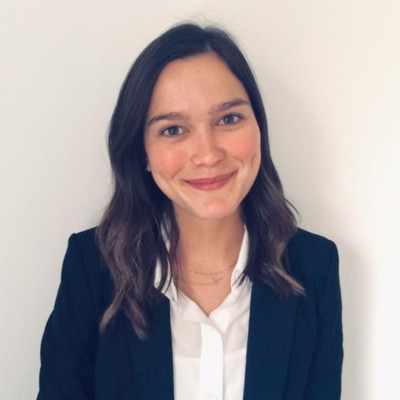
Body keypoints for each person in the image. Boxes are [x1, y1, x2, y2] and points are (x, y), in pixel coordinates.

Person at [37, 23, 343, 400]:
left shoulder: (314, 267)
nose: (208, 155)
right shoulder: (92, 269)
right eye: (173, 129)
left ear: (258, 128)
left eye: (228, 119)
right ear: (142, 153)